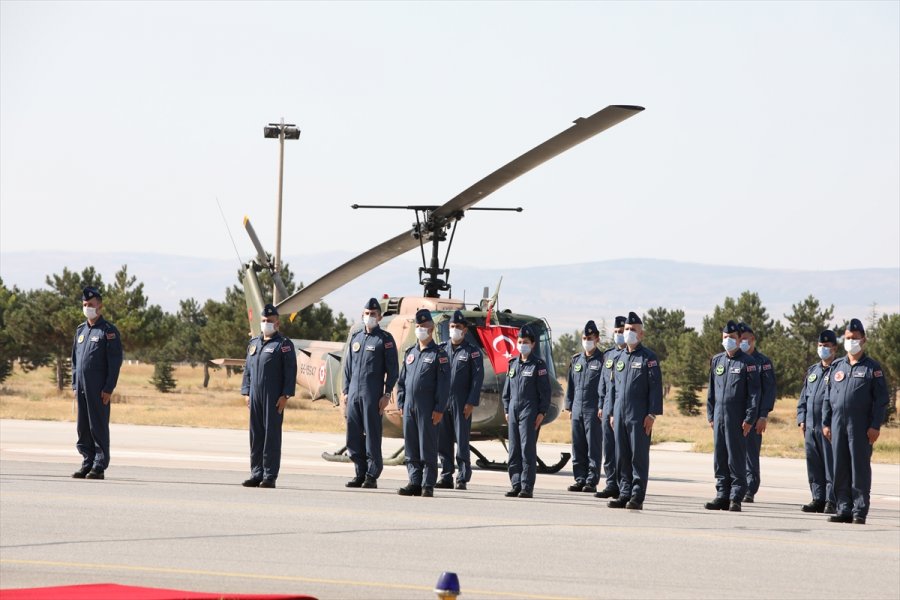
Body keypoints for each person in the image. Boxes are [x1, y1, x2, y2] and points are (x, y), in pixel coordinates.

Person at [822, 318, 889, 525]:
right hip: (837, 425)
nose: (851, 341)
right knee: (839, 467)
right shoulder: (837, 366)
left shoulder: (872, 368)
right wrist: (826, 423)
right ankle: (844, 508)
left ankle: (859, 510)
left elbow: (881, 401)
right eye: (848, 338)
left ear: (863, 340)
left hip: (860, 427)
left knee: (859, 468)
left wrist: (875, 425)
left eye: (855, 338)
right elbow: (827, 397)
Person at [606, 312, 663, 510]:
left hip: (639, 415)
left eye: (633, 330)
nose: (629, 333)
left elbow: (655, 388)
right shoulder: (619, 357)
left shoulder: (649, 358)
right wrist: (612, 413)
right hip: (620, 413)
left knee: (638, 456)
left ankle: (637, 496)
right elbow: (613, 388)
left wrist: (652, 414)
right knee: (621, 455)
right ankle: (624, 493)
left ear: (641, 334)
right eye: (627, 329)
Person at [342, 298, 399, 489]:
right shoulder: (356, 338)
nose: (369, 317)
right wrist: (345, 391)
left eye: (373, 314)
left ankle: (372, 474)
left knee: (372, 435)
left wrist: (386, 394)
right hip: (354, 395)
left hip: (372, 394)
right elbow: (347, 367)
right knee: (353, 435)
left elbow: (393, 370)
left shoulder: (385, 339)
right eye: (367, 314)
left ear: (379, 316)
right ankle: (359, 472)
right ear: (362, 315)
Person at [704, 320, 760, 512]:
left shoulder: (748, 362)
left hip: (737, 418)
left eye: (732, 338)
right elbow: (711, 391)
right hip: (719, 417)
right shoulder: (717, 360)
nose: (728, 340)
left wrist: (749, 418)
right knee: (720, 457)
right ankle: (721, 494)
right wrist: (710, 415)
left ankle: (736, 496)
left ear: (738, 340)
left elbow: (754, 394)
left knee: (736, 457)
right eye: (725, 337)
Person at [240, 304, 297, 488]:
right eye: (264, 321)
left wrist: (285, 395)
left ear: (277, 324)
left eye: (270, 321)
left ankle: (269, 475)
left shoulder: (284, 345)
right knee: (256, 435)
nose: (266, 324)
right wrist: (246, 392)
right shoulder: (253, 344)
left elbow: (290, 372)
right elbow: (247, 370)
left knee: (271, 435)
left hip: (273, 397)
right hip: (255, 396)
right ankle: (256, 473)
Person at [397, 309, 450, 497]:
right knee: (411, 446)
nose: (420, 329)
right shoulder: (410, 353)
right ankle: (414, 481)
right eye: (418, 326)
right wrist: (401, 403)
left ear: (432, 328)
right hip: (409, 408)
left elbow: (444, 385)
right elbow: (402, 381)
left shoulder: (439, 354)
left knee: (427, 446)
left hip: (428, 408)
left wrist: (439, 408)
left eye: (424, 326)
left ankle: (428, 484)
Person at [71, 286, 123, 480]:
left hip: (99, 389)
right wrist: (75, 385)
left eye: (91, 304)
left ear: (99, 306)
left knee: (97, 426)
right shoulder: (80, 330)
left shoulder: (108, 331)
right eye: (85, 305)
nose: (87, 307)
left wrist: (109, 387)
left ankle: (99, 466)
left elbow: (115, 362)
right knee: (83, 426)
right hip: (82, 388)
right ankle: (87, 462)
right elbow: (75, 362)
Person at [502, 324, 552, 498]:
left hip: (529, 411)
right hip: (514, 410)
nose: (522, 344)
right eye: (520, 341)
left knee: (527, 450)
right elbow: (506, 391)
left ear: (533, 345)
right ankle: (515, 483)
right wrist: (506, 409)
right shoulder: (512, 364)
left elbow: (545, 392)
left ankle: (526, 486)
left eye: (526, 342)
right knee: (514, 449)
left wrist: (541, 412)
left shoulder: (538, 365)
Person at [437, 310, 484, 490]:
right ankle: (446, 475)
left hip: (462, 402)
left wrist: (471, 402)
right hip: (443, 402)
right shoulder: (441, 349)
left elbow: (477, 379)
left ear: (465, 330)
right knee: (443, 440)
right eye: (452, 326)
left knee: (462, 441)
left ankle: (462, 477)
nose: (454, 329)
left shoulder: (473, 352)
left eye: (458, 327)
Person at [796, 329, 838, 514]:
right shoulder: (813, 370)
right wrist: (801, 419)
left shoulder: (839, 370)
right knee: (813, 463)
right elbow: (804, 398)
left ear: (834, 348)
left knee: (830, 464)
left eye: (826, 346)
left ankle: (832, 499)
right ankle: (817, 497)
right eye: (820, 346)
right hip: (811, 426)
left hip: (828, 426)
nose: (823, 349)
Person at [737, 322, 777, 503]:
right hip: (735, 416)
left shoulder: (763, 362)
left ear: (753, 340)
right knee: (735, 453)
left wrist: (763, 416)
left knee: (751, 453)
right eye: (740, 338)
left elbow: (768, 391)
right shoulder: (735, 360)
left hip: (754, 417)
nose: (742, 342)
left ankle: (750, 489)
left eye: (745, 338)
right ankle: (736, 486)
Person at [564, 320, 605, 493]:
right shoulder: (576, 360)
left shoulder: (603, 360)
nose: (586, 340)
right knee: (577, 445)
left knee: (593, 446)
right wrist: (569, 406)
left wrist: (603, 407)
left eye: (589, 337)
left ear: (597, 339)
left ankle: (591, 480)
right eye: (584, 338)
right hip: (577, 408)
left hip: (593, 409)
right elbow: (571, 385)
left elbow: (606, 387)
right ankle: (579, 478)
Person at [595, 315, 626, 499]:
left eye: (621, 332)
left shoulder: (628, 355)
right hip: (607, 405)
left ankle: (623, 484)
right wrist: (600, 404)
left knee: (621, 448)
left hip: (621, 406)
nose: (618, 335)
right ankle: (611, 483)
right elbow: (603, 383)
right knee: (608, 447)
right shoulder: (609, 354)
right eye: (616, 332)